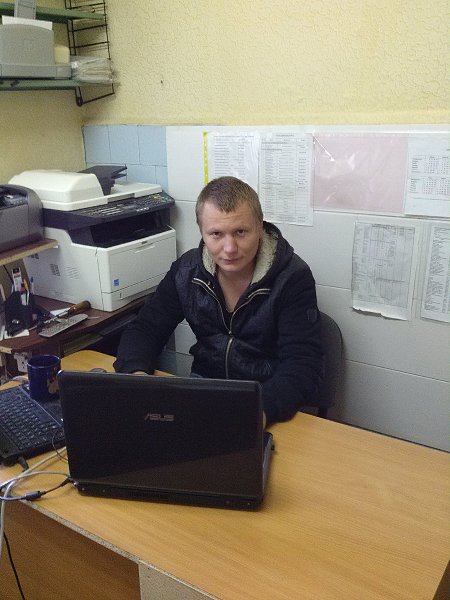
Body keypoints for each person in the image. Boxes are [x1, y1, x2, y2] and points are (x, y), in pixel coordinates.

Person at [114, 176, 324, 425]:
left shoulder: (292, 277)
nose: (230, 248)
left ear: (260, 226)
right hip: (204, 390)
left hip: (264, 398)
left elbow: (302, 364)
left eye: (240, 232)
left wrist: (257, 412)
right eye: (216, 234)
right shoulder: (186, 271)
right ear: (202, 232)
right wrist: (137, 378)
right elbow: (145, 329)